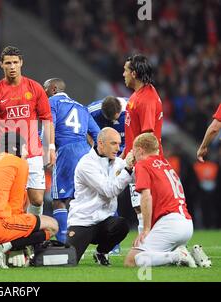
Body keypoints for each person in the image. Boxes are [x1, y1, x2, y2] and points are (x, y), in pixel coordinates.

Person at [0, 132, 58, 269]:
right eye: (25, 148)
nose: (26, 153)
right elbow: (15, 208)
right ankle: (1, 248)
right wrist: (18, 245)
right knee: (52, 225)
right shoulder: (18, 163)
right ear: (16, 148)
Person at [0, 46, 55, 217]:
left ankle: (31, 234)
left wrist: (50, 146)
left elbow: (46, 119)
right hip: (7, 154)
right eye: (8, 63)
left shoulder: (35, 88)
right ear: (1, 65)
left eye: (15, 62)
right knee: (10, 199)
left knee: (37, 199)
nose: (12, 66)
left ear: (21, 63)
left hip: (33, 152)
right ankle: (10, 236)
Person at [124, 133, 211, 268]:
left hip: (170, 223)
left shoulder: (143, 165)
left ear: (140, 150)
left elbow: (146, 196)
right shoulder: (165, 163)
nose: (132, 154)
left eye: (133, 151)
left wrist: (146, 229)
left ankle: (178, 255)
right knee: (158, 256)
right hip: (186, 223)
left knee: (132, 260)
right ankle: (190, 253)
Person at [43, 78, 99, 244]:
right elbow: (98, 134)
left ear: (53, 89)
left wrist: (45, 147)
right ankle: (110, 245)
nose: (43, 92)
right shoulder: (82, 107)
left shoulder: (52, 102)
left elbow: (48, 126)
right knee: (87, 198)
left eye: (45, 88)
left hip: (66, 151)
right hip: (86, 152)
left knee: (60, 201)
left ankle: (62, 242)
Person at [66, 127, 133, 266]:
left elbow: (136, 176)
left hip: (104, 222)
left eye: (119, 144)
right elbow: (109, 190)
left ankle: (101, 252)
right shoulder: (86, 164)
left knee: (121, 225)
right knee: (69, 261)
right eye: (113, 143)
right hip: (83, 221)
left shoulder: (117, 162)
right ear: (101, 143)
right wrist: (128, 170)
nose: (118, 148)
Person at [122, 54, 164, 234]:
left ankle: (149, 244)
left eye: (125, 70)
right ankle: (147, 243)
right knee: (138, 205)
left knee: (143, 205)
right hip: (135, 159)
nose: (122, 74)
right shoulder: (138, 95)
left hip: (144, 161)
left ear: (133, 73)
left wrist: (135, 159)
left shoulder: (146, 99)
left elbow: (148, 135)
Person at [88, 95, 128, 254]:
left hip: (127, 153)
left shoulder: (132, 107)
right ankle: (113, 244)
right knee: (108, 194)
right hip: (105, 156)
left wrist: (124, 156)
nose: (112, 122)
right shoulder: (92, 110)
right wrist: (95, 148)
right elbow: (84, 127)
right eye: (108, 119)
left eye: (115, 119)